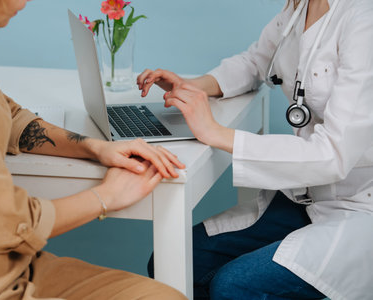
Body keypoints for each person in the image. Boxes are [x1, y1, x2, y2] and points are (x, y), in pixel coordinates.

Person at [0, 0, 188, 299]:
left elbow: (5, 115)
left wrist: (95, 147)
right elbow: (7, 223)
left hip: (10, 264)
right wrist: (106, 196)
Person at [138, 0, 373, 299]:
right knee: (169, 262)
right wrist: (191, 87)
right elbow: (255, 62)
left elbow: (332, 155)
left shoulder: (364, 18)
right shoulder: (300, 8)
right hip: (306, 194)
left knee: (233, 286)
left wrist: (216, 133)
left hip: (358, 206)